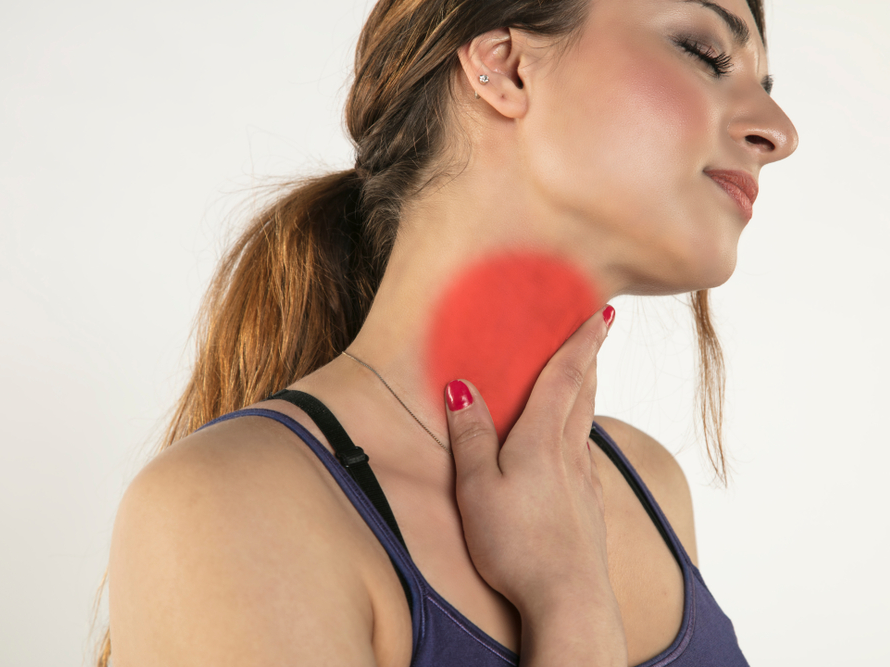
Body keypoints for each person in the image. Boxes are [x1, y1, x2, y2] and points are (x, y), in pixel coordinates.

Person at [100, 0, 797, 664]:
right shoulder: (226, 508)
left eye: (763, 86)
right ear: (506, 67)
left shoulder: (644, 484)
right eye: (704, 52)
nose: (780, 133)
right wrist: (572, 603)